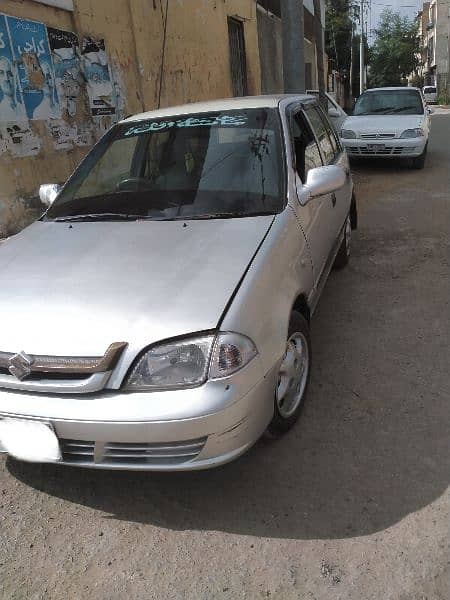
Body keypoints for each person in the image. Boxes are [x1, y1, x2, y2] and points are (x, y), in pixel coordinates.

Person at [0, 56, 26, 121]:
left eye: (9, 73)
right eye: (1, 73)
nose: (6, 78)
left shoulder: (23, 108)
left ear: (16, 78)